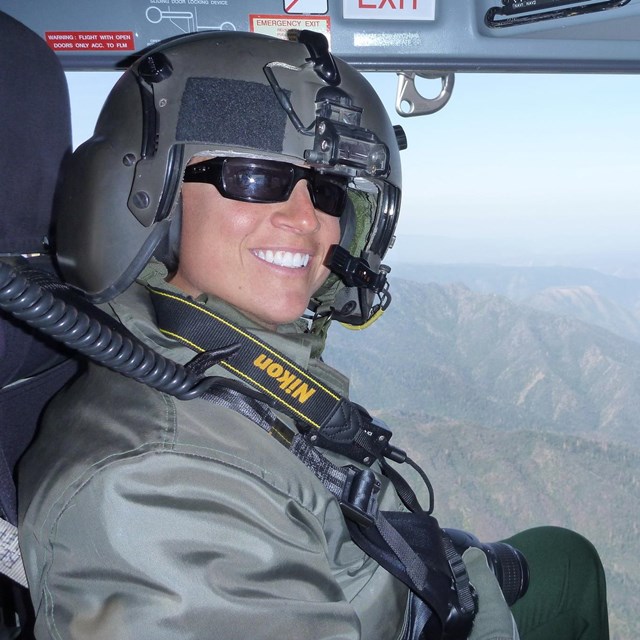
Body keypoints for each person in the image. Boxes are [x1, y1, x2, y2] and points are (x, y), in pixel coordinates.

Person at [17, 30, 609, 640]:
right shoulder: (151, 488)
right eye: (253, 178)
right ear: (148, 197)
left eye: (325, 190)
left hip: (381, 594)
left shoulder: (205, 358)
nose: (306, 220)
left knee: (565, 560)